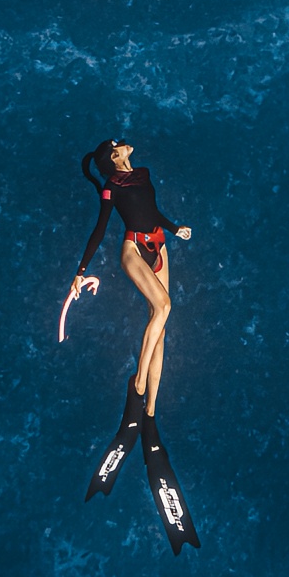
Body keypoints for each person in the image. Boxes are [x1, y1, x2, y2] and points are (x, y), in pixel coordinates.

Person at [63, 137, 191, 416]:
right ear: (114, 157)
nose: (122, 143)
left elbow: (152, 210)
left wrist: (173, 228)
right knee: (164, 306)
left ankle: (151, 412)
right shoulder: (111, 188)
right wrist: (80, 271)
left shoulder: (142, 174)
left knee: (161, 329)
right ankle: (139, 383)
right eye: (116, 145)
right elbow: (99, 229)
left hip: (159, 245)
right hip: (134, 249)